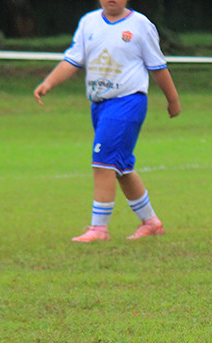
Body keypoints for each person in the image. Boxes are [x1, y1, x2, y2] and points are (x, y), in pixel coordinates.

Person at [33, 0, 181, 243]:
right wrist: (49, 83)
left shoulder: (140, 25)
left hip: (127, 102)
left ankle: (99, 229)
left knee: (102, 163)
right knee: (121, 168)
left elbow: (158, 66)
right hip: (100, 105)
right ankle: (151, 222)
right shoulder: (88, 22)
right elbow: (72, 60)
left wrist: (172, 99)